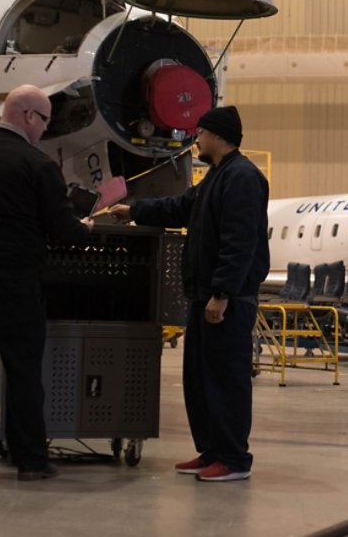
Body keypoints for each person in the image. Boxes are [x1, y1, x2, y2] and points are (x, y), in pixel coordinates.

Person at [0, 84, 94, 482]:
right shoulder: (36, 164)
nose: (44, 129)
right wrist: (86, 227)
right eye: (44, 120)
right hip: (10, 281)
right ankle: (30, 461)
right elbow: (61, 230)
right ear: (28, 116)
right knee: (23, 372)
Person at [109, 105, 269, 482]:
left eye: (199, 133)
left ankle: (233, 459)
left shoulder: (242, 177)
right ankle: (212, 450)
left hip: (227, 299)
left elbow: (239, 241)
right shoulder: (217, 177)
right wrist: (132, 211)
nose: (195, 140)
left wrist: (223, 292)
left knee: (226, 379)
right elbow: (180, 207)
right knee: (201, 379)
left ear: (216, 135)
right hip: (204, 295)